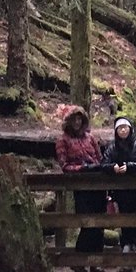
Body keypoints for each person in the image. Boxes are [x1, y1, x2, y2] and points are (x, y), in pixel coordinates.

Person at [55, 105, 106, 252]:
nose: (77, 122)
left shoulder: (90, 137)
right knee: (86, 222)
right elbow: (64, 165)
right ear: (68, 121)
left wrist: (97, 168)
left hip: (97, 183)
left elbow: (100, 158)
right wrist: (81, 169)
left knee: (100, 221)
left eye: (79, 119)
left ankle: (97, 258)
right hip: (81, 186)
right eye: (74, 119)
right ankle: (81, 257)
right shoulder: (62, 140)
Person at [101, 117, 136, 251]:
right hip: (121, 190)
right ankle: (127, 243)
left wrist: (130, 167)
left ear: (130, 129)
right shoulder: (112, 147)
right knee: (124, 215)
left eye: (125, 127)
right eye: (120, 128)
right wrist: (113, 167)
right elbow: (104, 163)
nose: (123, 130)